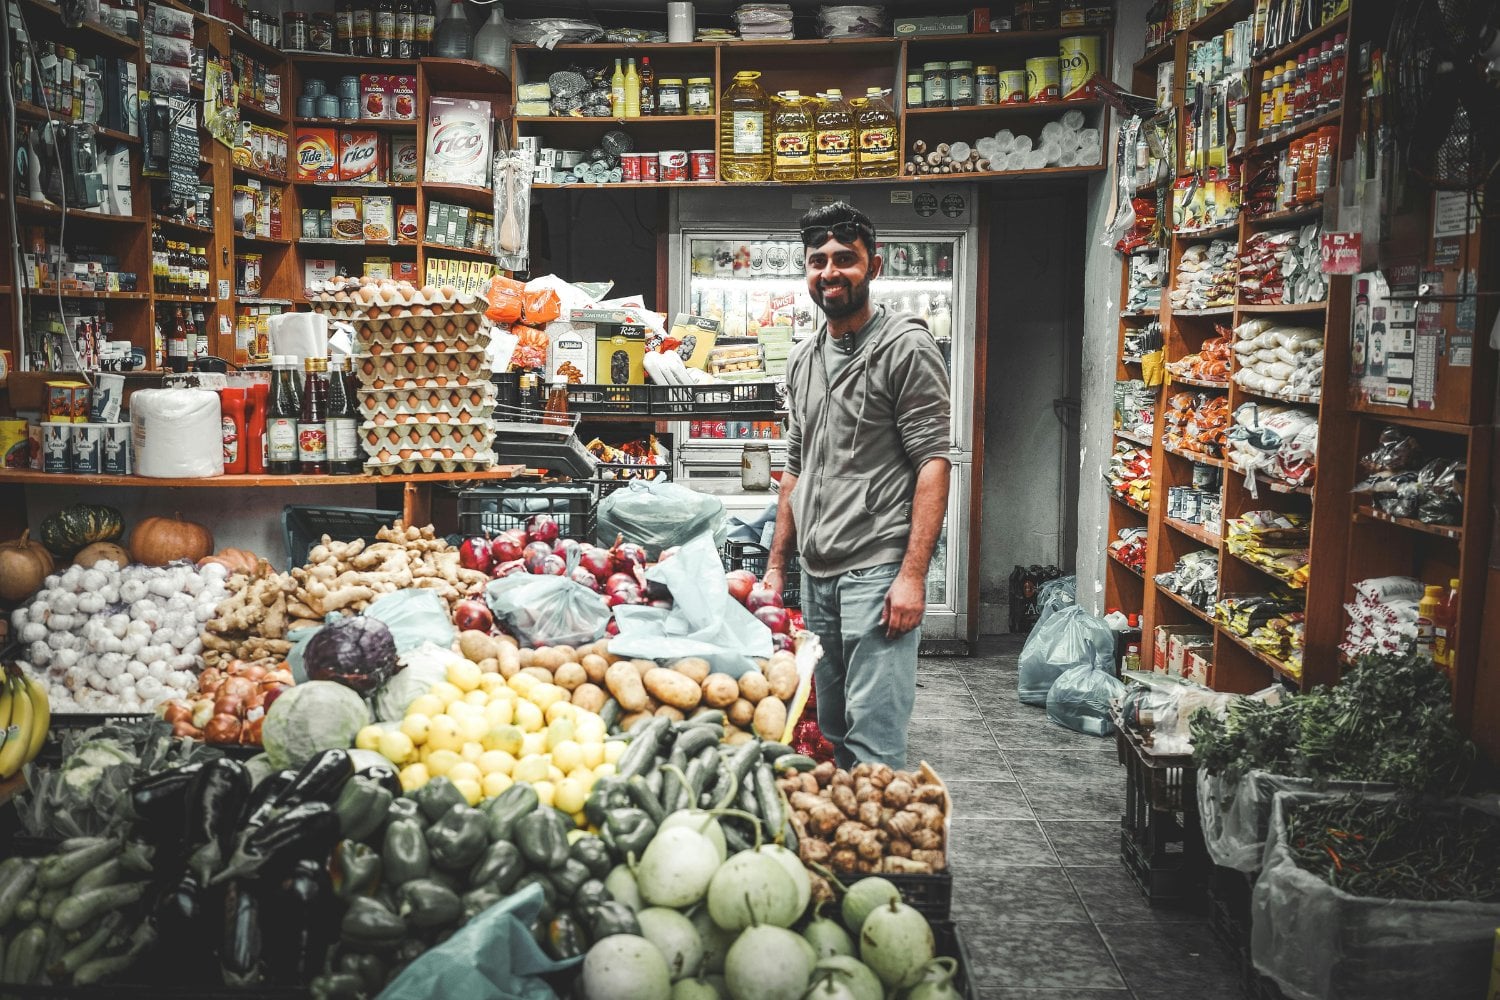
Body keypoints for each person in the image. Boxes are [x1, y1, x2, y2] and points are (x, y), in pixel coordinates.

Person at [763, 201, 951, 769]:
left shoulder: (905, 348)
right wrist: (776, 565)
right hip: (817, 572)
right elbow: (794, 466)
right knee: (833, 728)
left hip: (876, 567)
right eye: (818, 260)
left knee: (874, 740)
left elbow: (933, 463)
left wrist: (913, 576)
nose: (830, 272)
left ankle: (882, 853)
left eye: (845, 258)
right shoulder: (803, 358)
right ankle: (845, 844)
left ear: (875, 265)